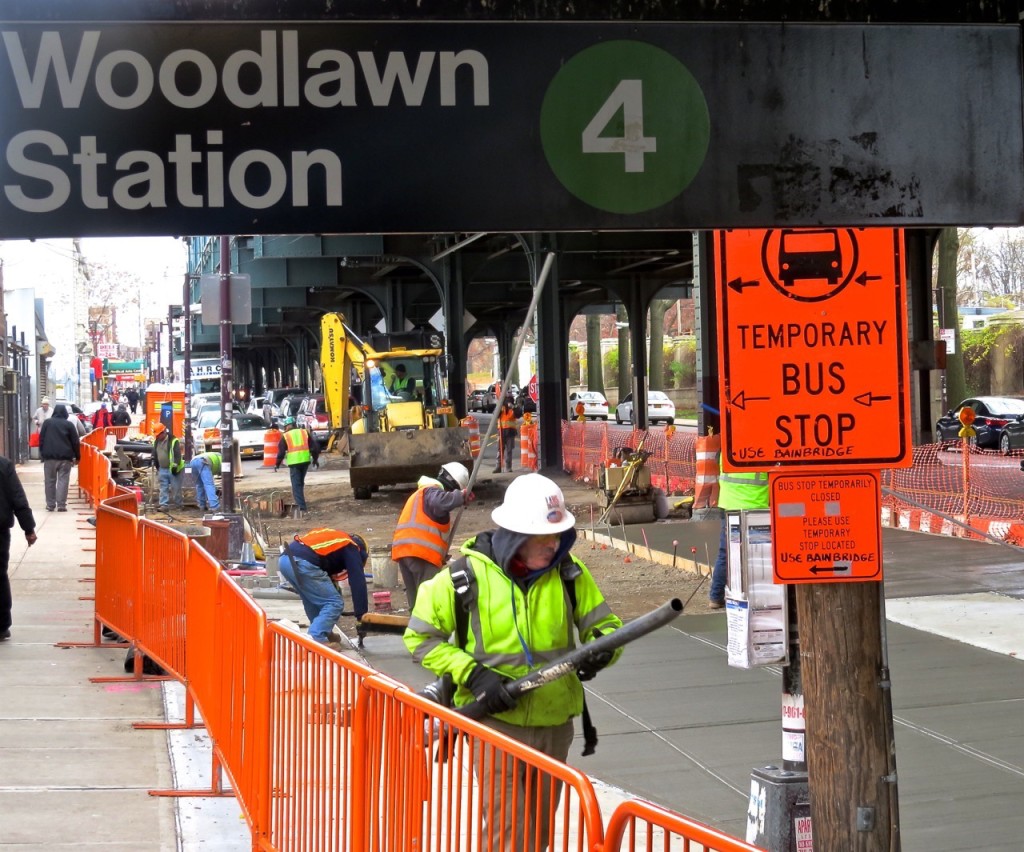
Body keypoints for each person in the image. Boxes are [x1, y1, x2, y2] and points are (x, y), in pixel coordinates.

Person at [404, 473, 622, 852]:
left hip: (554, 723)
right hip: (496, 723)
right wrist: (473, 674)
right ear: (515, 534)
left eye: (558, 537)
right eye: (543, 538)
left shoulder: (569, 573)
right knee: (507, 834)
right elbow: (420, 638)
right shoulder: (461, 577)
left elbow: (605, 627)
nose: (553, 546)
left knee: (537, 835)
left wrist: (602, 649)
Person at [391, 462, 472, 610]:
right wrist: (460, 496)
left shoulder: (422, 494)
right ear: (453, 485)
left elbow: (428, 530)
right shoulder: (432, 492)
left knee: (416, 603)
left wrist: (441, 554)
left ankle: (415, 631)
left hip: (405, 551)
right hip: (421, 555)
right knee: (428, 604)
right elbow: (441, 502)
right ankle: (426, 632)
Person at [278, 528, 370, 645]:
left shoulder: (336, 539)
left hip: (285, 560)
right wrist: (361, 616)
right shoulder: (352, 547)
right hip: (303, 563)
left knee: (311, 600)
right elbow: (358, 581)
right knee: (334, 602)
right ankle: (317, 636)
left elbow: (325, 568)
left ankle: (324, 632)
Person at [709, 458, 769, 609]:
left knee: (726, 552)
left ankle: (715, 597)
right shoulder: (764, 450)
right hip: (756, 507)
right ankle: (759, 595)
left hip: (730, 506)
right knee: (759, 554)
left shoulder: (726, 448)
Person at [38, 404, 80, 513]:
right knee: (63, 480)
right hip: (65, 458)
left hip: (49, 458)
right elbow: (75, 442)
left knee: (49, 481)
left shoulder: (47, 423)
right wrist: (77, 456)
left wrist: (42, 453)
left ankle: (50, 505)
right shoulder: (69, 425)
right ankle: (61, 505)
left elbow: (41, 439)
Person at [275, 416, 320, 514]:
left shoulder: (286, 436)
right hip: (305, 462)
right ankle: (301, 502)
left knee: (296, 485)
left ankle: (301, 508)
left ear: (286, 427)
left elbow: (281, 452)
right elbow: (314, 448)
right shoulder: (304, 432)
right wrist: (315, 460)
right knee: (300, 483)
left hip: (294, 463)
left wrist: (277, 464)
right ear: (295, 425)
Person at [152, 423, 185, 509]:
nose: (157, 437)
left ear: (163, 432)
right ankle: (164, 505)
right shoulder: (156, 442)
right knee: (163, 488)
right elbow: (155, 453)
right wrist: (156, 464)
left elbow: (178, 454)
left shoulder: (173, 441)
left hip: (173, 469)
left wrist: (175, 465)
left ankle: (179, 504)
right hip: (162, 469)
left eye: (158, 435)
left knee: (176, 488)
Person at [494, 394, 521, 473]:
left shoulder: (513, 409)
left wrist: (513, 407)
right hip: (501, 431)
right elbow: (495, 414)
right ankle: (498, 466)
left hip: (510, 432)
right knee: (500, 450)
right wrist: (498, 407)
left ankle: (508, 467)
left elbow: (519, 414)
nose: (507, 403)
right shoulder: (501, 409)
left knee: (509, 450)